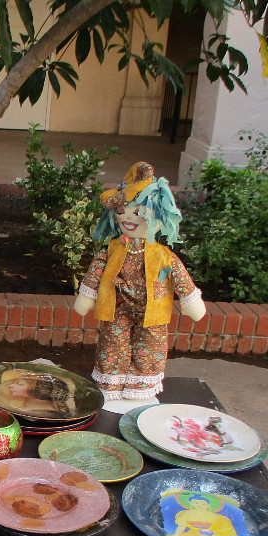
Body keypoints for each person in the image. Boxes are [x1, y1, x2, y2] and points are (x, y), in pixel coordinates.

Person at [73, 162, 206, 413]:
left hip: (152, 314)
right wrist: (87, 297)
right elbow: (97, 271)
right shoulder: (112, 249)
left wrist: (190, 300)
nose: (127, 217)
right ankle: (111, 386)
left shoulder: (163, 255)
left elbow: (179, 276)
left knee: (150, 348)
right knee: (113, 344)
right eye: (122, 212)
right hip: (117, 309)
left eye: (137, 212)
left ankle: (140, 388)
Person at [0, 368, 76, 419]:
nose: (10, 385)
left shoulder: (43, 413)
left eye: (20, 384)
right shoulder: (24, 407)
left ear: (36, 391)